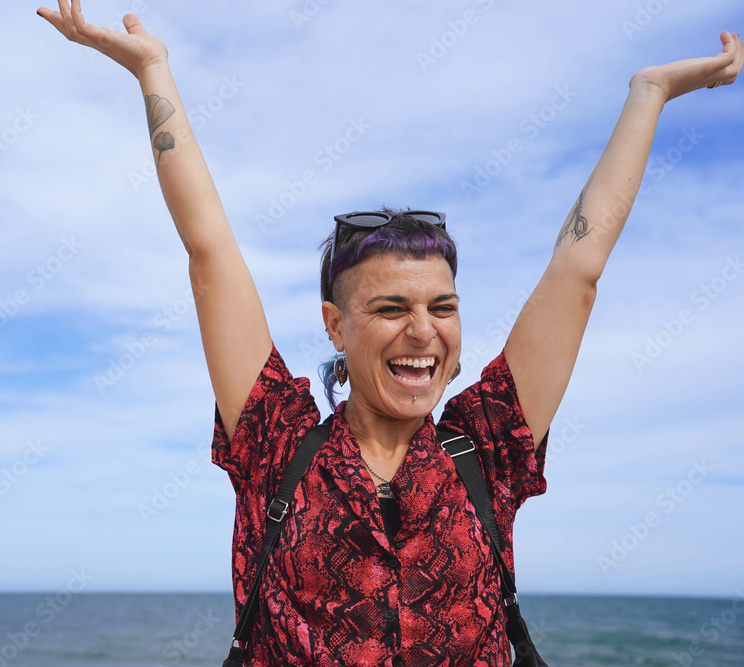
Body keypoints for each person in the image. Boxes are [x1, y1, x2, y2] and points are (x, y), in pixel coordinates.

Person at [36, 3, 743, 664]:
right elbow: (209, 253)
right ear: (336, 325)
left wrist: (648, 94)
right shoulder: (277, 440)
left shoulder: (486, 445)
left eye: (443, 306)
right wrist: (152, 71)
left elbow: (577, 270)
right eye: (391, 308)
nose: (423, 332)